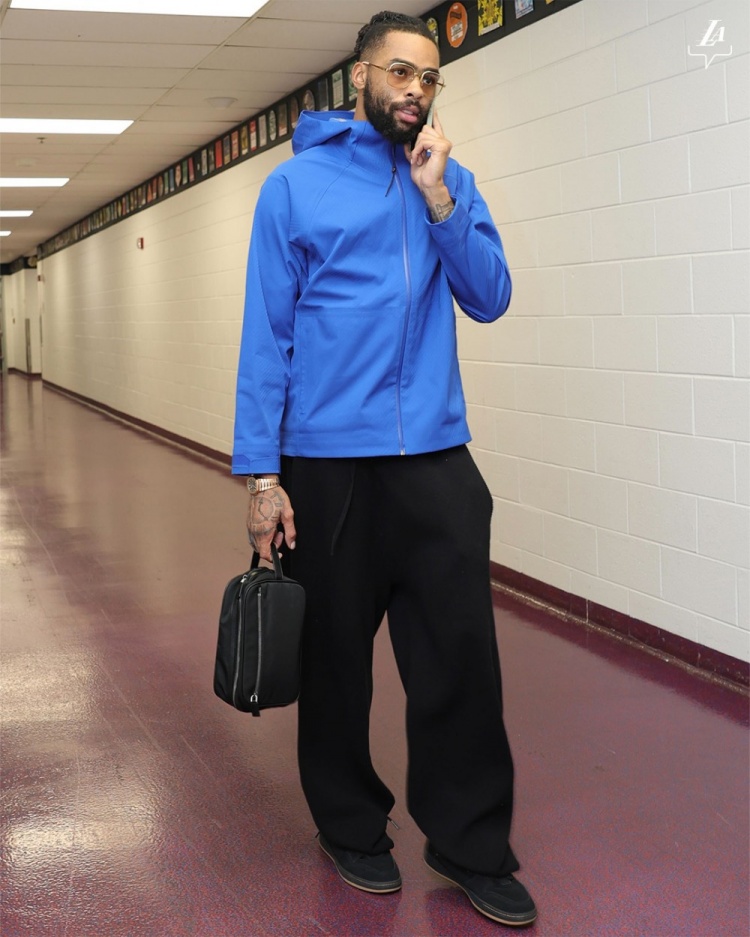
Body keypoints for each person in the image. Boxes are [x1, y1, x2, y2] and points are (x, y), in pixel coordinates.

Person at [232, 10, 536, 928]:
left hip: (436, 461)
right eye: (400, 71)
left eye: (429, 77)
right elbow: (266, 337)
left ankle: (470, 842)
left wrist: (439, 199)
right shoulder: (294, 187)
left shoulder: (447, 177)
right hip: (327, 467)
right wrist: (262, 477)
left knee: (460, 662)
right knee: (336, 664)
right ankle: (351, 825)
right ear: (359, 75)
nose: (415, 89)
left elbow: (490, 295)